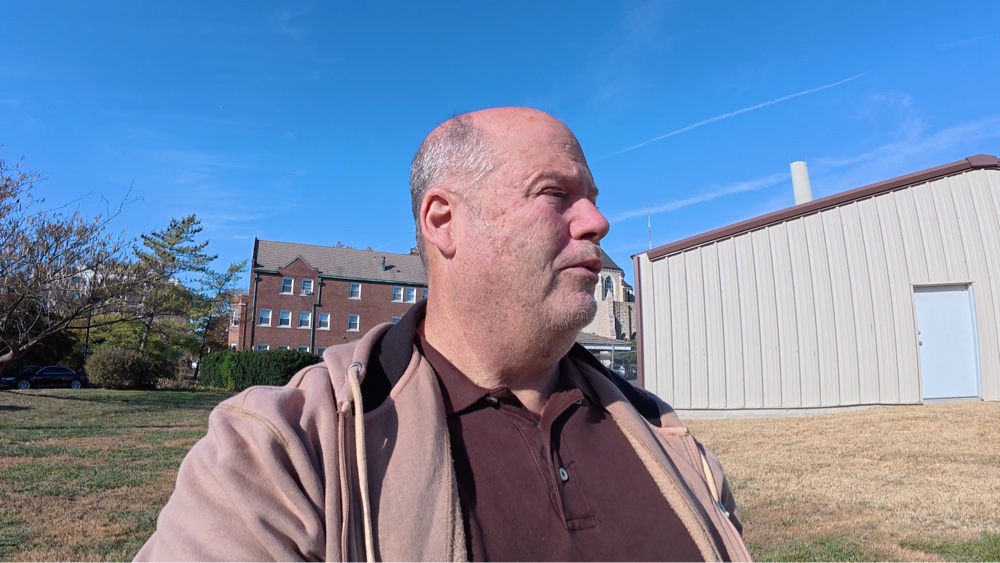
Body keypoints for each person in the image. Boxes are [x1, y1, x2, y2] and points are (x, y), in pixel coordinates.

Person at [135, 107, 750, 562]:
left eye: (590, 198)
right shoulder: (286, 452)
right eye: (555, 194)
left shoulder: (668, 437)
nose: (597, 221)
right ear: (443, 220)